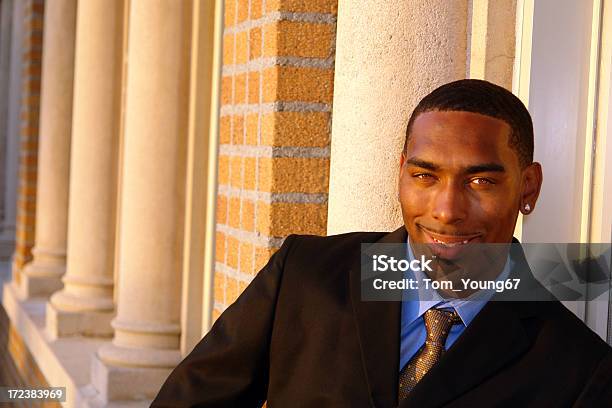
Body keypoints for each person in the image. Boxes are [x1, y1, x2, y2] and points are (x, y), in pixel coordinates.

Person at [151, 79, 612, 407]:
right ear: (401, 173)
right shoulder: (305, 274)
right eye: (425, 176)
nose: (447, 210)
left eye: (481, 181)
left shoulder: (577, 369)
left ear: (527, 188)